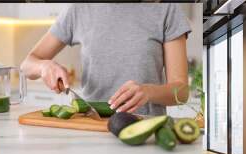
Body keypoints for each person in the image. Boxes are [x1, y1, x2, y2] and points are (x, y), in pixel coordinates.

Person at [21, 3, 191, 115]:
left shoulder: (167, 9)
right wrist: (44, 67)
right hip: (91, 128)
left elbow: (182, 92)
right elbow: (27, 65)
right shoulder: (78, 9)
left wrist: (148, 91)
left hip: (145, 133)